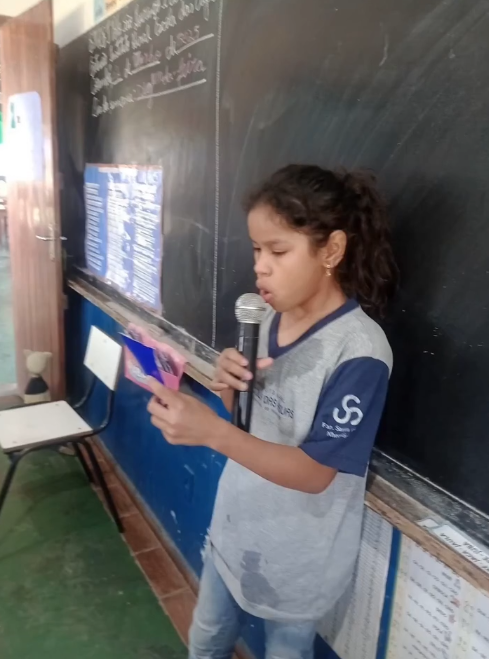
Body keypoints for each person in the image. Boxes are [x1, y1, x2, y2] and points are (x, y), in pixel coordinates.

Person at [148, 164, 398, 659]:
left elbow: (313, 473)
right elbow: (249, 422)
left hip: (298, 558)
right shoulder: (262, 319)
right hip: (235, 526)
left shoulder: (360, 352)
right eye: (256, 250)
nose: (261, 267)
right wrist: (228, 385)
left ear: (331, 250)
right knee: (207, 639)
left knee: (286, 650)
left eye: (278, 251)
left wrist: (213, 433)